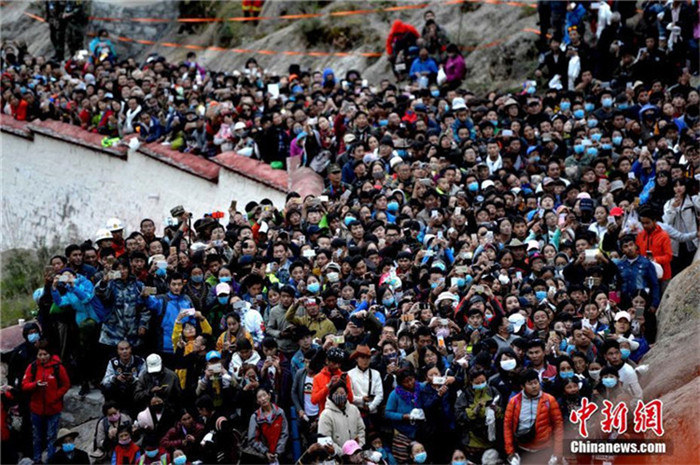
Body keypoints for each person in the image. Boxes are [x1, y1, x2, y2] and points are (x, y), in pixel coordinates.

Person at [21, 340, 71, 463]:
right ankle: (37, 460)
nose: (42, 357)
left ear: (50, 354)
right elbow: (24, 385)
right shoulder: (32, 367)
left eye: (45, 354)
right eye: (40, 355)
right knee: (37, 437)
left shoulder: (57, 367)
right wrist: (35, 385)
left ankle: (51, 459)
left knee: (51, 436)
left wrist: (55, 396)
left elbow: (66, 384)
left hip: (53, 409)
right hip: (36, 409)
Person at [503, 369, 563, 465]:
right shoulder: (514, 402)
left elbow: (558, 426)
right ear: (522, 386)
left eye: (536, 382)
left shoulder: (549, 400)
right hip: (523, 449)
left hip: (544, 449)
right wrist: (510, 452)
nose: (534, 386)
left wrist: (557, 452)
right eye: (530, 384)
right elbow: (507, 427)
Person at [318, 381, 365, 456]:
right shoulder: (326, 415)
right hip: (338, 457)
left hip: (356, 455)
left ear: (346, 395)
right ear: (331, 395)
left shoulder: (354, 409)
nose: (339, 396)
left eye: (342, 393)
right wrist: (343, 452)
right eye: (336, 393)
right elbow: (325, 441)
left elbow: (361, 430)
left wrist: (358, 447)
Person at [246, 387, 289, 464]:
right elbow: (252, 439)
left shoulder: (280, 413)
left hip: (280, 454)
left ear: (269, 396)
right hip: (263, 457)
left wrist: (277, 452)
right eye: (259, 397)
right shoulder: (255, 417)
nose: (263, 399)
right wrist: (265, 452)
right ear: (257, 401)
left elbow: (284, 434)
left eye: (264, 395)